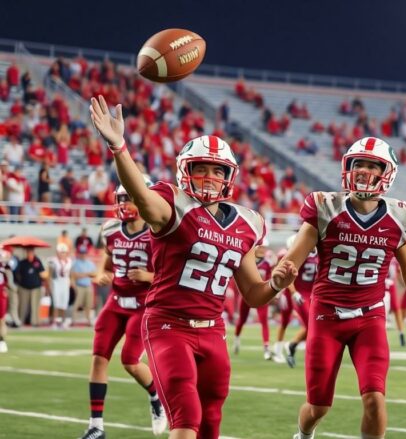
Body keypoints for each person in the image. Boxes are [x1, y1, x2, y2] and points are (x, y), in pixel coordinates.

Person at [88, 95, 297, 439]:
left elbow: (254, 295)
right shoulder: (172, 204)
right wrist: (119, 148)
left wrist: (274, 283)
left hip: (214, 331)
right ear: (186, 170)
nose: (210, 176)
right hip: (169, 326)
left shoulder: (248, 223)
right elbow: (141, 196)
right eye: (201, 168)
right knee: (186, 418)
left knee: (212, 421)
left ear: (230, 176)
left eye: (218, 170)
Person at [280, 136, 406, 439]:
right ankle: (304, 434)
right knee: (318, 407)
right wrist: (282, 274)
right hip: (326, 316)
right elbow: (292, 260)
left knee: (375, 399)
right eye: (358, 164)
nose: (364, 171)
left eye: (372, 165)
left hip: (370, 317)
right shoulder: (325, 207)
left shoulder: (401, 216)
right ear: (347, 168)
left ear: (387, 173)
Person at [80, 182, 167, 439]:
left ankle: (156, 397)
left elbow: (168, 274)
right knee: (98, 357)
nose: (124, 203)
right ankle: (96, 425)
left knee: (130, 361)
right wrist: (101, 274)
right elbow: (107, 261)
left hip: (142, 304)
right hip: (116, 302)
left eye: (130, 198)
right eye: (122, 198)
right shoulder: (110, 229)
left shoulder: (157, 231)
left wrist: (147, 276)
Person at [233, 243, 275, 360]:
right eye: (260, 247)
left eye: (264, 247)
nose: (263, 249)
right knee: (242, 320)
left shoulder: (267, 263)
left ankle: (266, 349)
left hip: (261, 295)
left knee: (264, 321)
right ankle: (236, 339)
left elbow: (270, 279)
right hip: (247, 294)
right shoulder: (246, 261)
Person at [283, 233, 319, 368]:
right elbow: (288, 277)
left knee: (316, 325)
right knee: (312, 327)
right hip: (301, 295)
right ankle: (311, 357)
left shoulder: (317, 253)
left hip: (314, 294)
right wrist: (294, 293)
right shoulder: (298, 256)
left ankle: (292, 345)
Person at [48, 243, 73, 329]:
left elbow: (70, 274)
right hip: (56, 283)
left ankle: (62, 322)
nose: (62, 254)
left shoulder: (69, 261)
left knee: (64, 303)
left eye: (63, 252)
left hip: (65, 283)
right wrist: (49, 285)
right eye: (60, 252)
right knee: (56, 303)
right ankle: (55, 322)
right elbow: (50, 274)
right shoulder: (53, 261)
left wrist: (71, 283)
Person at [71, 244, 96, 326]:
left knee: (88, 305)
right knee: (77, 304)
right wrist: (87, 274)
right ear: (79, 253)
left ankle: (88, 320)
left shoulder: (90, 263)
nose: (83, 254)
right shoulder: (76, 263)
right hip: (79, 286)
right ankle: (73, 320)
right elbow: (74, 275)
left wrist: (83, 275)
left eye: (84, 253)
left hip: (88, 285)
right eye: (81, 253)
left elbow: (94, 274)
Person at [0, 248, 15, 352]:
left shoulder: (4, 263)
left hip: (1, 290)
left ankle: (2, 341)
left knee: (1, 319)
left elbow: (9, 267)